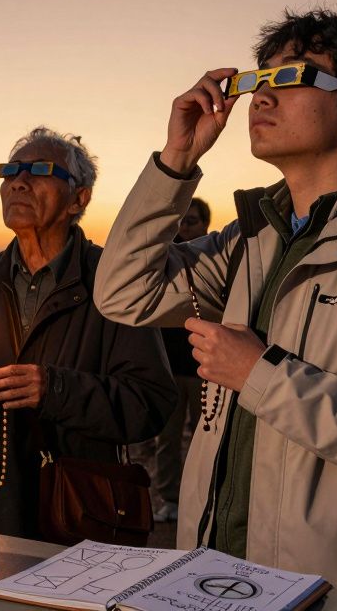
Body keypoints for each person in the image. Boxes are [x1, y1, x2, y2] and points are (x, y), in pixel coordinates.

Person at [93, 8, 337, 609]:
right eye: (260, 79)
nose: (260, 97)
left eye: (291, 79)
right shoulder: (251, 241)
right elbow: (124, 291)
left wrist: (259, 374)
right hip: (216, 578)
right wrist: (177, 161)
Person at [0, 127, 177, 537]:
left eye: (39, 170)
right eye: (10, 170)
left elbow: (150, 403)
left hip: (73, 517)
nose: (18, 180)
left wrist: (54, 389)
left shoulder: (110, 283)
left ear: (79, 198)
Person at [151, 197, 211, 524]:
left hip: (208, 368)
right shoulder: (165, 257)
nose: (186, 226)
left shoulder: (216, 256)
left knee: (207, 438)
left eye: (193, 221)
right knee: (168, 440)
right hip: (171, 366)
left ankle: (204, 499)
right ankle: (170, 499)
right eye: (182, 221)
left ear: (205, 224)